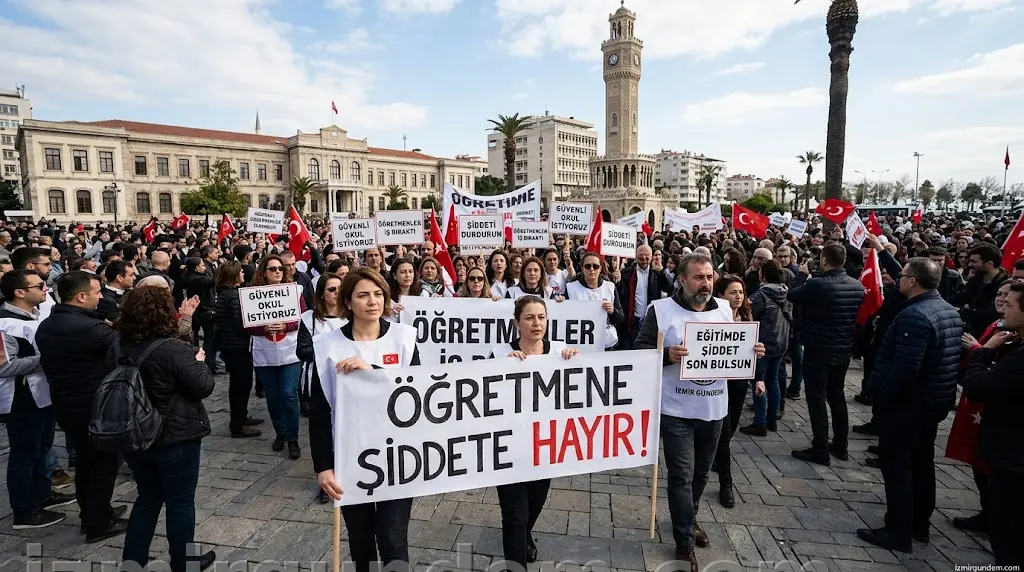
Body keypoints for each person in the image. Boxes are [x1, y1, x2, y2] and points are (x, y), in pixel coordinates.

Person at [634, 253, 765, 571]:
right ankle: (684, 542)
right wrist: (666, 354)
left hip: (714, 408)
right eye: (698, 278)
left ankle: (688, 517)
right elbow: (638, 352)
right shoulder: (660, 310)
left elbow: (732, 350)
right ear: (682, 280)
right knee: (680, 476)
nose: (706, 283)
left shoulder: (724, 309)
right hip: (675, 409)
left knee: (701, 474)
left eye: (709, 277)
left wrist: (753, 353)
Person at [309, 268, 420, 572]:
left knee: (393, 540)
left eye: (378, 294)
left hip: (397, 456)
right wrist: (323, 467)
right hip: (350, 457)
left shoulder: (404, 339)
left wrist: (372, 371)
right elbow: (319, 413)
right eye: (363, 295)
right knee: (360, 541)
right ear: (347, 302)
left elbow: (414, 396)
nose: (373, 301)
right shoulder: (328, 346)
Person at [855, 258, 962, 553]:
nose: (898, 279)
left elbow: (905, 367)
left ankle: (898, 531)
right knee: (921, 462)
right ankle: (918, 524)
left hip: (909, 404)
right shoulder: (946, 309)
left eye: (902, 275)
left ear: (912, 281)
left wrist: (884, 397)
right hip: (932, 401)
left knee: (898, 466)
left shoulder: (915, 315)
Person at [107, 286, 216, 572]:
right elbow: (203, 385)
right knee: (180, 502)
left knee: (147, 498)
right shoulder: (173, 349)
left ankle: (133, 562)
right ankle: (184, 561)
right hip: (174, 435)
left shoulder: (118, 345)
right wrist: (199, 363)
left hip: (134, 432)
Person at [489, 295, 580, 569]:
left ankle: (525, 534)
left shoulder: (560, 352)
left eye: (541, 317)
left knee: (535, 503)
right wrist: (500, 367)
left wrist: (575, 362)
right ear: (517, 323)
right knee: (514, 515)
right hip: (509, 448)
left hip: (545, 446)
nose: (536, 323)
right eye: (529, 318)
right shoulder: (499, 353)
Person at [35, 270, 125, 541]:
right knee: (103, 465)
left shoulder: (49, 324)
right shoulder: (88, 328)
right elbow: (122, 349)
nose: (101, 298)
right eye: (97, 293)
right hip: (93, 406)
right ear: (81, 296)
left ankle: (94, 512)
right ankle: (97, 523)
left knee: (87, 463)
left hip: (67, 404)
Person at [0, 269, 75, 529]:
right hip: (21, 399)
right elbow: (5, 367)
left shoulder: (37, 314)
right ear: (20, 292)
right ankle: (25, 511)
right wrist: (48, 357)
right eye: (39, 286)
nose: (46, 289)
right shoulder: (5, 324)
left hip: (42, 393)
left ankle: (43, 494)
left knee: (42, 447)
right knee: (24, 454)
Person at [962, 282, 1024, 566]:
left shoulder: (1019, 357)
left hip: (1013, 460)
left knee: (1007, 536)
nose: (1003, 309)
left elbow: (977, 386)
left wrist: (984, 351)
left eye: (1010, 305)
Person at [787, 243, 865, 466]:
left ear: (823, 260)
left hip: (818, 349)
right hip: (842, 350)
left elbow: (793, 295)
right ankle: (841, 445)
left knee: (817, 399)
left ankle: (820, 448)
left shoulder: (817, 284)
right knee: (837, 396)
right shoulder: (857, 286)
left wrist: (802, 275)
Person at [711, 275, 764, 508]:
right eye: (733, 292)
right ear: (721, 295)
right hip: (716, 382)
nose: (738, 297)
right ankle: (726, 484)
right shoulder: (711, 318)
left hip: (738, 383)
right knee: (724, 434)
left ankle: (714, 459)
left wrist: (758, 378)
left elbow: (752, 351)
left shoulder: (746, 318)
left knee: (729, 429)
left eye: (741, 292)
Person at [247, 255, 305, 459]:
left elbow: (303, 318)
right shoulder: (252, 295)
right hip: (265, 353)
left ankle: (293, 439)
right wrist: (262, 328)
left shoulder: (295, 291)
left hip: (290, 352)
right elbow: (247, 325)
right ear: (264, 272)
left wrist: (286, 325)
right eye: (272, 268)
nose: (278, 271)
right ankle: (281, 433)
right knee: (272, 396)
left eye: (280, 268)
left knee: (289, 394)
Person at [296, 272, 347, 503]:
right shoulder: (309, 319)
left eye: (339, 289)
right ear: (322, 294)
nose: (336, 293)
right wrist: (330, 352)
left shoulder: (351, 316)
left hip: (348, 382)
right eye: (331, 289)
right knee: (324, 430)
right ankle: (326, 478)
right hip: (319, 382)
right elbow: (302, 351)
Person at [213, 260, 262, 439]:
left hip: (231, 344)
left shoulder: (225, 293)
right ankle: (238, 425)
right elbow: (239, 322)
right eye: (240, 271)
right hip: (237, 345)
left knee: (239, 384)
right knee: (241, 385)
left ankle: (241, 417)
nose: (243, 273)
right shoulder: (233, 296)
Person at [743, 260, 791, 435]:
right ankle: (772, 420)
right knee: (773, 380)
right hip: (781, 342)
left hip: (763, 345)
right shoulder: (786, 292)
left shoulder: (761, 296)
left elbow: (750, 319)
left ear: (763, 275)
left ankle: (760, 423)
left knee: (759, 381)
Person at [617, 244, 673, 348]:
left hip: (650, 319)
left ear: (651, 257)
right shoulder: (627, 272)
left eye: (647, 257)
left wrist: (661, 272)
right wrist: (617, 281)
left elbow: (669, 287)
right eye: (641, 257)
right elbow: (621, 294)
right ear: (636, 256)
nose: (644, 260)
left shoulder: (656, 272)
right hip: (633, 319)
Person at [566, 252, 622, 350]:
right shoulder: (571, 288)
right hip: (580, 342)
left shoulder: (610, 287)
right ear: (582, 268)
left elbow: (621, 318)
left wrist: (613, 311)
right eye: (588, 266)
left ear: (600, 268)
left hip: (606, 343)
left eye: (595, 266)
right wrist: (560, 301)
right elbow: (563, 316)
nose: (592, 269)